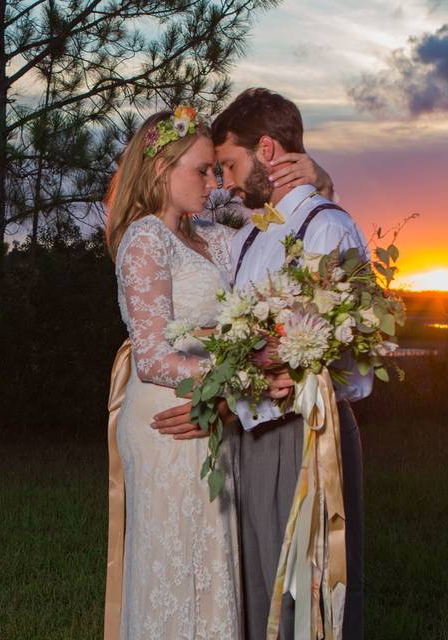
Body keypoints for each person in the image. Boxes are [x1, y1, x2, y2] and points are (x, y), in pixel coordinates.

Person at [103, 106, 332, 640]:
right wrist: (244, 382)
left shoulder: (210, 232)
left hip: (209, 413)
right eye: (201, 170)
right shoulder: (144, 240)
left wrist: (319, 180)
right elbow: (153, 357)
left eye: (215, 169)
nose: (213, 182)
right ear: (161, 169)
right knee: (175, 564)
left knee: (211, 565)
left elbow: (284, 226)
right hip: (168, 417)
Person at [152, 88, 368, 640]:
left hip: (306, 437)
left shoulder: (325, 228)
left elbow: (344, 361)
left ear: (267, 149)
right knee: (258, 591)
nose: (221, 181)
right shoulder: (252, 233)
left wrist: (230, 398)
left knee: (306, 593)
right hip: (250, 434)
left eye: (228, 164)